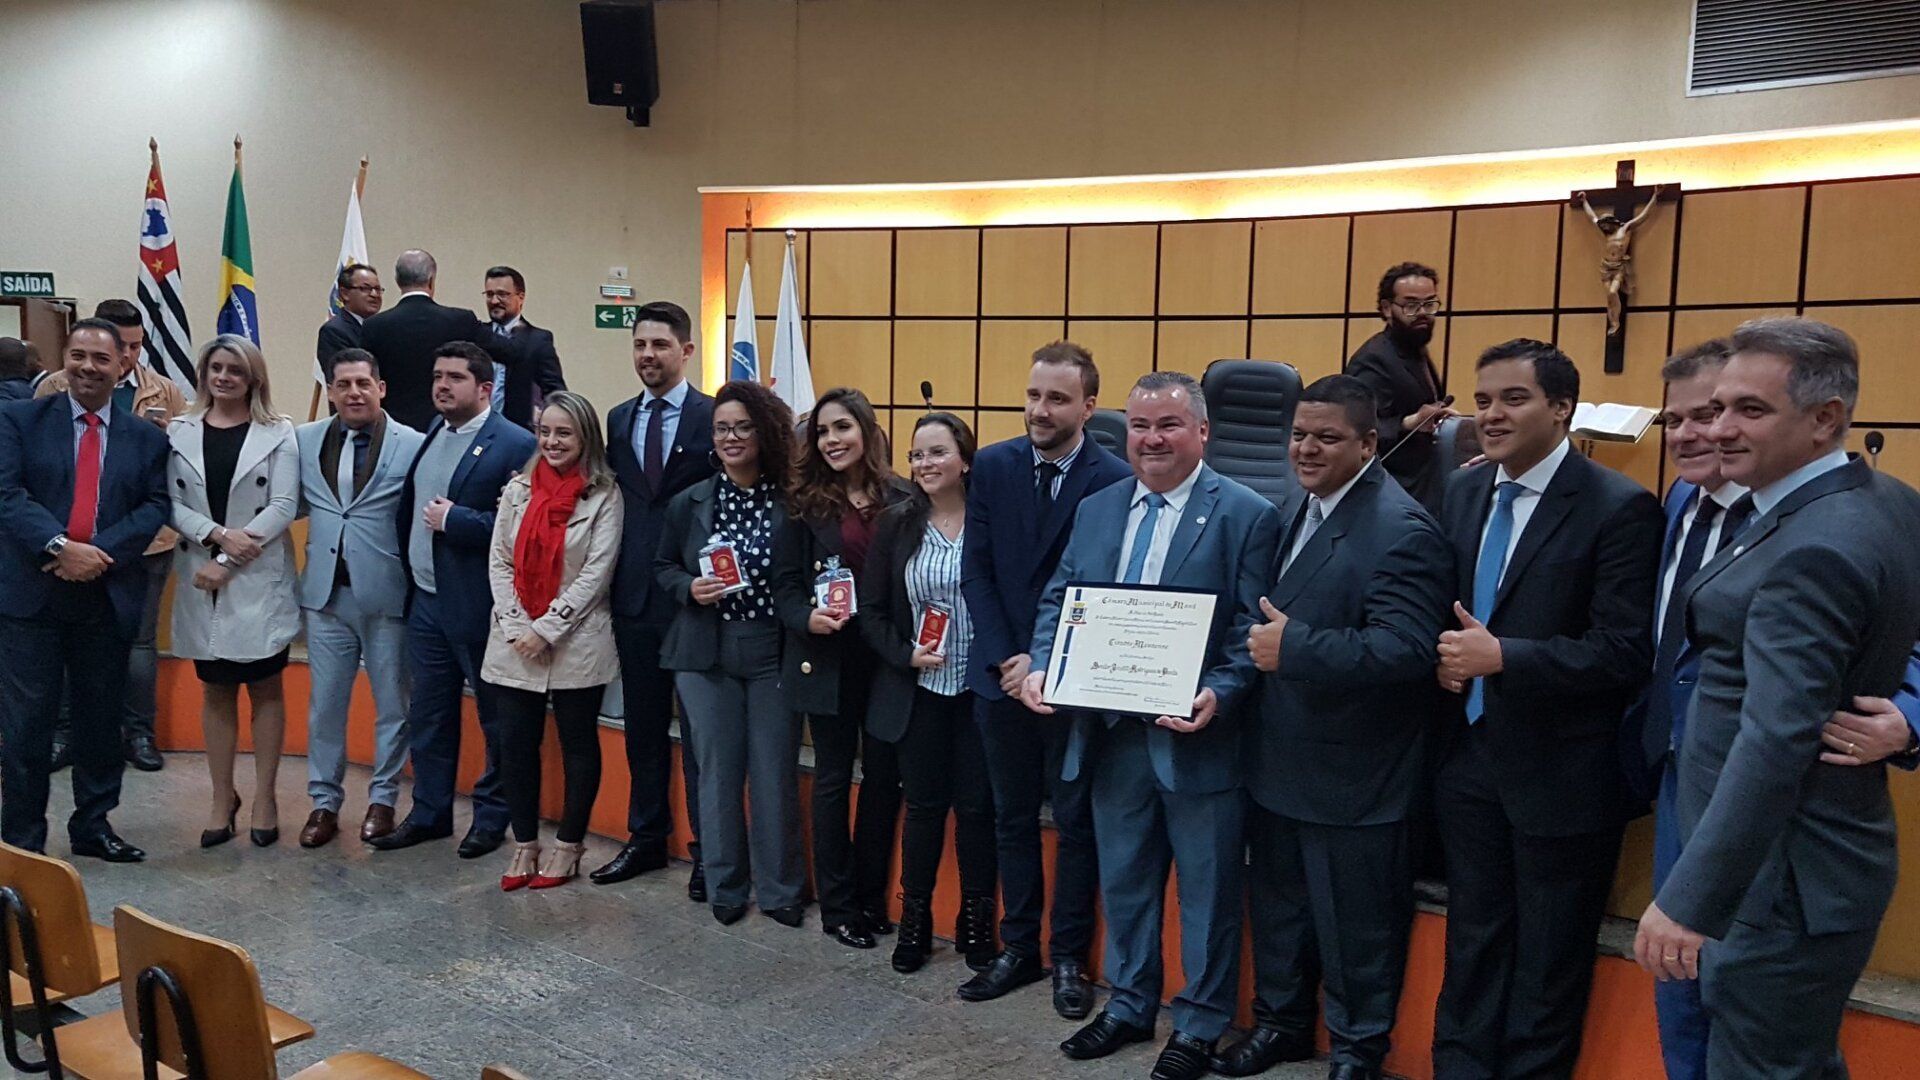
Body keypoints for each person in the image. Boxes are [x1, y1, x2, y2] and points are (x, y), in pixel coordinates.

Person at [1636, 317, 1920, 1079]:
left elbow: (1774, 739)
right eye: (1717, 407)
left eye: (1750, 410)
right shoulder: (1882, 499)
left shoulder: (1814, 546)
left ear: (1825, 419)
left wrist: (1692, 899)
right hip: (1803, 871)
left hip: (1778, 883)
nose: (1719, 428)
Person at [1021, 371, 1283, 1080]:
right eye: (1140, 425)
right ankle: (1130, 1003)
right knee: (1127, 883)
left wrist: (1221, 691)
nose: (1151, 439)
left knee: (1206, 894)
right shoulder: (1098, 508)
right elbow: (1060, 601)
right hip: (1113, 736)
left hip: (1198, 739)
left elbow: (1250, 629)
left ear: (1202, 431)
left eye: (1168, 424)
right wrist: (1045, 665)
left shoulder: (1248, 514)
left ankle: (1198, 1025)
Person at [1428, 339, 1662, 1080]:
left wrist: (1507, 657)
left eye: (1513, 399)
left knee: (1548, 963)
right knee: (1471, 943)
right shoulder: (1464, 490)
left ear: (1562, 409)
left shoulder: (1619, 507)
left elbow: (1624, 652)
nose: (1491, 415)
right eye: (1482, 400)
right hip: (1469, 756)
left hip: (1564, 770)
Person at [1215, 375, 1451, 1080]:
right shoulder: (1300, 504)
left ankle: (1356, 1052)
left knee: (1357, 932)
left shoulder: (1403, 529)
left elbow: (1408, 649)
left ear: (1369, 443)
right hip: (1281, 757)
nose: (1306, 450)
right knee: (1280, 913)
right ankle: (1282, 1026)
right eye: (1298, 435)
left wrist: (1298, 648)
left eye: (1326, 438)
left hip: (1358, 776)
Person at [958, 340, 1130, 1014]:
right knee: (1012, 819)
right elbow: (977, 570)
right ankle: (1019, 948)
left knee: (1077, 824)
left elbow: (1102, 589)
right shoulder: (994, 465)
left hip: (1072, 681)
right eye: (1033, 395)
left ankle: (1068, 960)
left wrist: (1046, 663)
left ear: (1089, 406)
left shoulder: (1115, 479)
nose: (1040, 409)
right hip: (1001, 677)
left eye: (1057, 398)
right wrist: (1010, 659)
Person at [0, 318, 169, 861]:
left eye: (101, 358)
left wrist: (96, 554)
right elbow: (7, 494)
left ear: (123, 364)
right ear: (64, 360)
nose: (88, 367)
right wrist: (59, 546)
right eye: (78, 356)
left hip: (105, 593)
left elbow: (156, 505)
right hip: (32, 596)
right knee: (27, 727)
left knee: (100, 723)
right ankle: (22, 842)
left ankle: (93, 827)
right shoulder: (20, 419)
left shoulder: (146, 437)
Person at [373, 342, 536, 856]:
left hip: (480, 606)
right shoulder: (434, 430)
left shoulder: (516, 444)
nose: (441, 386)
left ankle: (491, 818)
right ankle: (429, 812)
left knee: (495, 720)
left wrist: (457, 520)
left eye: (455, 378)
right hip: (426, 601)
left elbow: (523, 530)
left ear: (485, 388)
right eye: (437, 376)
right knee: (429, 715)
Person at [655, 379, 804, 926]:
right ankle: (725, 886)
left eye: (743, 427)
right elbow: (662, 566)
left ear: (764, 433)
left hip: (772, 651)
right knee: (717, 774)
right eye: (721, 428)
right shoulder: (690, 501)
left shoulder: (793, 502)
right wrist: (688, 587)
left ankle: (781, 890)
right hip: (705, 651)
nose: (731, 437)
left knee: (773, 774)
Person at [773, 387, 910, 950]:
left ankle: (871, 898)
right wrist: (806, 617)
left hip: (888, 660)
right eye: (823, 431)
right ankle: (838, 906)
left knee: (882, 779)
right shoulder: (801, 503)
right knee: (831, 778)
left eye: (843, 428)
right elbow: (784, 586)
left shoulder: (904, 497)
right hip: (827, 656)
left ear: (867, 432)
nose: (832, 440)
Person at [861, 411, 998, 974]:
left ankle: (976, 924)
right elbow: (871, 611)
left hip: (979, 690)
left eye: (937, 452)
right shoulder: (896, 524)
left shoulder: (991, 519)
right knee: (922, 808)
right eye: (917, 455)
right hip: (919, 690)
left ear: (965, 459)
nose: (924, 464)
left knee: (977, 810)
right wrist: (904, 653)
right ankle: (914, 921)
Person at [595, 301, 714, 893]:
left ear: (685, 351)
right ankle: (646, 839)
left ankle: (708, 852)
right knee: (642, 730)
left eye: (660, 345)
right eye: (640, 344)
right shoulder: (618, 419)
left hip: (697, 599)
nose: (648, 355)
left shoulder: (713, 418)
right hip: (635, 599)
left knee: (700, 737)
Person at [39, 298, 185, 774]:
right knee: (63, 641)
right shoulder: (53, 388)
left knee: (139, 642)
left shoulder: (163, 389)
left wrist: (164, 435)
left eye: (136, 347)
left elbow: (174, 473)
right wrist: (66, 547)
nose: (128, 356)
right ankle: (64, 734)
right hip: (64, 546)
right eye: (120, 346)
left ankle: (138, 734)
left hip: (144, 542)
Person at [166, 335, 301, 848]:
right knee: (216, 690)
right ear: (204, 374)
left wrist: (227, 560)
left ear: (253, 379)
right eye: (216, 368)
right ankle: (222, 798)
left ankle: (265, 797)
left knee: (265, 687)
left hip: (255, 574)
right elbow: (168, 503)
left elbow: (283, 505)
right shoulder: (179, 430)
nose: (224, 377)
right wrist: (217, 537)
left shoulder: (278, 431)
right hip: (201, 570)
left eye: (235, 370)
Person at [485, 390, 623, 891]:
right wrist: (518, 625)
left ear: (585, 437)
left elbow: (596, 574)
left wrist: (546, 628)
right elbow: (500, 560)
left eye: (564, 433)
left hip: (577, 637)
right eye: (544, 431)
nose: (552, 441)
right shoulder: (518, 489)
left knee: (577, 743)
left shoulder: (605, 495)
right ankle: (524, 844)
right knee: (514, 743)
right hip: (514, 637)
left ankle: (568, 846)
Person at [293, 348, 424, 849]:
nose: (354, 393)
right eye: (343, 385)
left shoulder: (412, 444)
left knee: (392, 704)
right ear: (330, 391)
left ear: (380, 389)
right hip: (326, 596)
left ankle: (383, 800)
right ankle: (324, 803)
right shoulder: (303, 440)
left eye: (363, 384)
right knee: (325, 707)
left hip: (386, 596)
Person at [357, 249, 508, 432]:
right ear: (431, 280)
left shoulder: (374, 326)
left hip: (393, 430)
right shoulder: (460, 320)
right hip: (451, 426)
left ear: (397, 281)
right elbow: (509, 351)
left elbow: (366, 377)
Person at [1345, 263, 1454, 512]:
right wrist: (1411, 422)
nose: (1423, 313)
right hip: (1390, 489)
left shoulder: (1413, 347)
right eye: (1411, 305)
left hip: (1422, 479)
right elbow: (1357, 431)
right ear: (1387, 308)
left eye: (1429, 304)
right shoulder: (1373, 360)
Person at [481, 266, 567, 429]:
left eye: (502, 294)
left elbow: (554, 391)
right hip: (478, 430)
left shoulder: (537, 340)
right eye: (490, 294)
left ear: (520, 297)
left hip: (520, 431)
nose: (494, 301)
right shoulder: (478, 336)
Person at [319, 264, 383, 373]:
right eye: (365, 288)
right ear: (344, 294)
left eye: (377, 289)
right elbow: (342, 374)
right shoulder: (334, 331)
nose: (374, 294)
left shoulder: (384, 327)